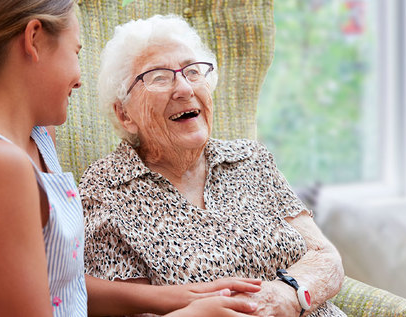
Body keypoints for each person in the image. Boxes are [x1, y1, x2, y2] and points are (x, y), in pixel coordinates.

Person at [0, 1, 261, 316]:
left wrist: (173, 298)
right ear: (34, 40)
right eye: (76, 52)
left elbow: (60, 289)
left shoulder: (35, 139)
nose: (79, 79)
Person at [80, 15, 348, 317]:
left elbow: (325, 257)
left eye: (193, 71)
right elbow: (132, 308)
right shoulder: (107, 189)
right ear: (124, 114)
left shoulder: (251, 159)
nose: (183, 88)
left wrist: (289, 294)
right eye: (159, 77)